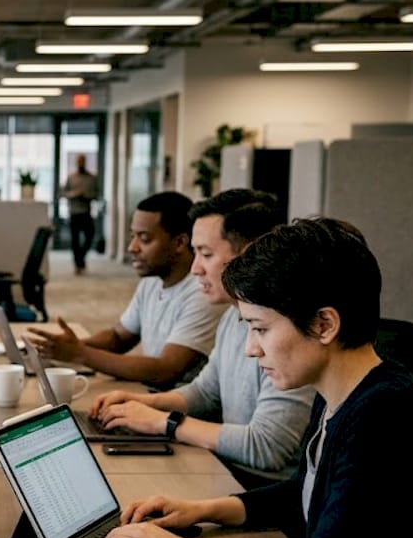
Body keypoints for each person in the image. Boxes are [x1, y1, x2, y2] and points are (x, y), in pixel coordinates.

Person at [99, 217, 413, 538]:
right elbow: (303, 495)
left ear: (324, 325)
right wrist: (202, 510)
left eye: (260, 328)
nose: (250, 348)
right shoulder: (340, 391)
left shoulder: (384, 412)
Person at [90, 190, 315, 487]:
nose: (195, 268)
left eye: (206, 254)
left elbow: (267, 448)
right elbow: (206, 393)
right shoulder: (231, 316)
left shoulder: (287, 330)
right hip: (225, 467)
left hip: (264, 489)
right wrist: (143, 403)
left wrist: (163, 422)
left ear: (250, 253)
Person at [26, 191, 226, 389]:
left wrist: (79, 354)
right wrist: (68, 346)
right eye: (133, 236)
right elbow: (118, 337)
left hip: (176, 401)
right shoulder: (152, 281)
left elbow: (165, 370)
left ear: (179, 243)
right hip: (153, 394)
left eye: (144, 239)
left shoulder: (204, 293)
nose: (132, 247)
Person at [62, 154, 99, 273]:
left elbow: (96, 194)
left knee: (90, 235)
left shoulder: (92, 178)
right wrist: (73, 194)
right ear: (76, 162)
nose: (80, 163)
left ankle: (81, 258)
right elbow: (64, 193)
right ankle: (78, 264)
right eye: (79, 161)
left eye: (82, 161)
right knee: (75, 240)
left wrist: (86, 196)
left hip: (86, 212)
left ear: (85, 162)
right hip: (74, 212)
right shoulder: (71, 178)